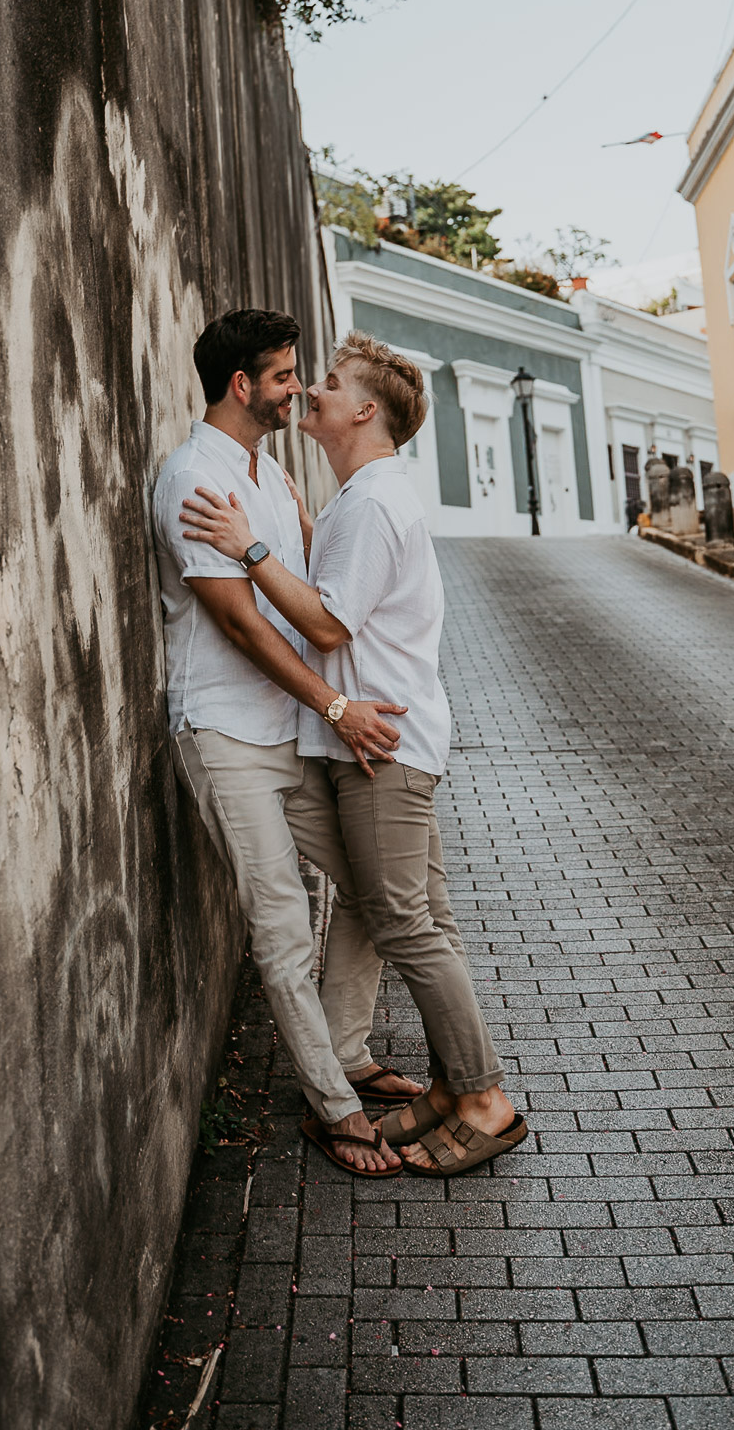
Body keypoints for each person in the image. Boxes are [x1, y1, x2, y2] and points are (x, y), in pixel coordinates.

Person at [180, 330, 528, 1177]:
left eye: (326, 384)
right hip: (377, 741)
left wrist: (251, 549)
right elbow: (334, 589)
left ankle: (483, 1098)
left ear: (365, 410)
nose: (310, 394)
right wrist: (296, 531)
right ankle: (451, 1091)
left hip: (380, 744)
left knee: (410, 925)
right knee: (421, 917)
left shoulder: (371, 502)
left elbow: (329, 622)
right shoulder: (355, 498)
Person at [153, 308, 421, 1175]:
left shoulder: (266, 477)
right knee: (281, 929)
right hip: (226, 729)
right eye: (284, 375)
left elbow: (298, 600)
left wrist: (300, 537)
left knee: (370, 893)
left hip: (287, 730)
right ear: (244, 386)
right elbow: (237, 622)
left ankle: (346, 1050)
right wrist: (337, 709)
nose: (300, 386)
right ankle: (334, 1108)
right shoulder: (196, 477)